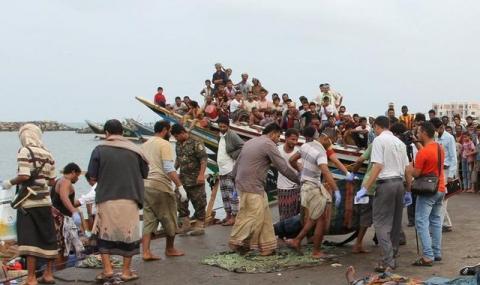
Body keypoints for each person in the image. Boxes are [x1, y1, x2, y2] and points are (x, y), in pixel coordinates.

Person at [87, 119, 149, 282]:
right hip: (131, 198)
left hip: (107, 198)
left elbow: (92, 176)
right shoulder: (136, 150)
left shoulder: (99, 149)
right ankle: (126, 271)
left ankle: (108, 270)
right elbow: (145, 173)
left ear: (106, 133)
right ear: (122, 132)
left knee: (104, 233)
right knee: (129, 234)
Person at [229, 123, 300, 256]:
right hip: (252, 185)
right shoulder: (268, 144)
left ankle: (268, 246)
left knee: (265, 215)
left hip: (245, 184)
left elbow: (237, 164)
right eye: (278, 136)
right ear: (273, 133)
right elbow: (283, 167)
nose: (278, 139)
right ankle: (237, 241)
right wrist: (299, 180)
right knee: (253, 216)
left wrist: (234, 180)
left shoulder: (250, 142)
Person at [2, 124, 57, 285]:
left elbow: (24, 176)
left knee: (29, 239)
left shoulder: (24, 151)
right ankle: (48, 274)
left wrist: (9, 183)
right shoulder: (48, 154)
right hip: (45, 201)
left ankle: (31, 278)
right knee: (48, 236)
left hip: (29, 202)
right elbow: (52, 181)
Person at [359, 116, 412, 272]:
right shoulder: (400, 143)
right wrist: (408, 189)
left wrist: (364, 188)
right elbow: (408, 169)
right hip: (399, 184)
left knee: (381, 223)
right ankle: (392, 256)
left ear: (376, 126)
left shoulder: (378, 141)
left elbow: (377, 166)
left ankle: (388, 261)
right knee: (395, 224)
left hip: (385, 184)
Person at [287, 128, 341, 259]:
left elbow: (292, 160)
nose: (331, 145)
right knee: (320, 219)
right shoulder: (321, 152)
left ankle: (298, 240)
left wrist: (302, 171)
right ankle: (315, 251)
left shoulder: (305, 145)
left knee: (315, 217)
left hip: (306, 186)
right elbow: (326, 172)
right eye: (332, 141)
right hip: (313, 187)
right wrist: (337, 190)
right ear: (327, 138)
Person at [141, 121, 187, 261]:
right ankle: (170, 248)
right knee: (170, 217)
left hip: (146, 185)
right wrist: (180, 186)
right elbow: (168, 168)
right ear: (164, 130)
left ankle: (146, 252)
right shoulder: (164, 144)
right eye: (169, 131)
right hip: (160, 185)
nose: (170, 134)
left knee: (149, 219)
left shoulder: (144, 144)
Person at [411, 121, 446, 266]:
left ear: (424, 133)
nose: (417, 134)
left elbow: (417, 173)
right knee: (436, 221)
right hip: (440, 187)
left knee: (421, 221)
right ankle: (436, 252)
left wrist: (408, 170)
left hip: (427, 191)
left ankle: (428, 256)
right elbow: (430, 160)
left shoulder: (423, 153)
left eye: (418, 132)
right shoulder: (439, 148)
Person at [171, 124, 208, 235]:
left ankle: (199, 226)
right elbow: (179, 158)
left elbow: (203, 159)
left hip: (195, 178)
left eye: (177, 136)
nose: (176, 139)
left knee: (199, 201)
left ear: (182, 133)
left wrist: (201, 175)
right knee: (179, 199)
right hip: (183, 178)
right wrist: (173, 170)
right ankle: (185, 224)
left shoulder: (196, 142)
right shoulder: (178, 144)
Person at [51, 162, 84, 269]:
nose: (77, 179)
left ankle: (60, 270)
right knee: (62, 247)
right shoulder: (66, 181)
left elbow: (68, 201)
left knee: (63, 247)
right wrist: (73, 211)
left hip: (55, 218)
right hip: (60, 220)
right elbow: (64, 198)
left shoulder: (58, 181)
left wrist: (83, 201)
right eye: (77, 176)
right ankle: (61, 272)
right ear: (73, 172)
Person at [430, 118, 458, 233]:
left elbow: (453, 157)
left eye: (434, 129)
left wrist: (451, 174)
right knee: (440, 198)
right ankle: (446, 224)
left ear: (440, 127)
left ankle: (438, 225)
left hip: (446, 172)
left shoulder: (449, 138)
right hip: (436, 171)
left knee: (442, 199)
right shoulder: (434, 137)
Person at [217, 117, 244, 226]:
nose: (222, 128)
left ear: (228, 126)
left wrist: (233, 154)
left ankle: (234, 216)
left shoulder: (232, 135)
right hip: (222, 170)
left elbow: (243, 146)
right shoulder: (220, 135)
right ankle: (228, 215)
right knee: (224, 194)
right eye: (220, 126)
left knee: (232, 194)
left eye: (224, 126)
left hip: (230, 169)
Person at [277, 129, 301, 221]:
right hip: (282, 187)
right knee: (283, 215)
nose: (295, 142)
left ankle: (290, 234)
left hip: (295, 187)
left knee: (293, 215)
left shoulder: (298, 152)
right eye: (292, 139)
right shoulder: (278, 150)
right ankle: (281, 235)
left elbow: (300, 168)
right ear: (286, 138)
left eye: (296, 140)